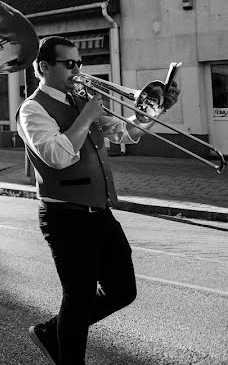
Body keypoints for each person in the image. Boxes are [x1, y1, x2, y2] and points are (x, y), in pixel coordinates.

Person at [16, 36, 178, 365]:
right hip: (65, 216)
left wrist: (153, 111)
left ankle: (51, 332)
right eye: (70, 64)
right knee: (79, 299)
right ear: (45, 67)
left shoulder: (80, 101)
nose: (78, 70)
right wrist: (87, 116)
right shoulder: (32, 109)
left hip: (99, 212)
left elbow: (124, 133)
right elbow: (57, 155)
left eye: (80, 63)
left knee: (123, 290)